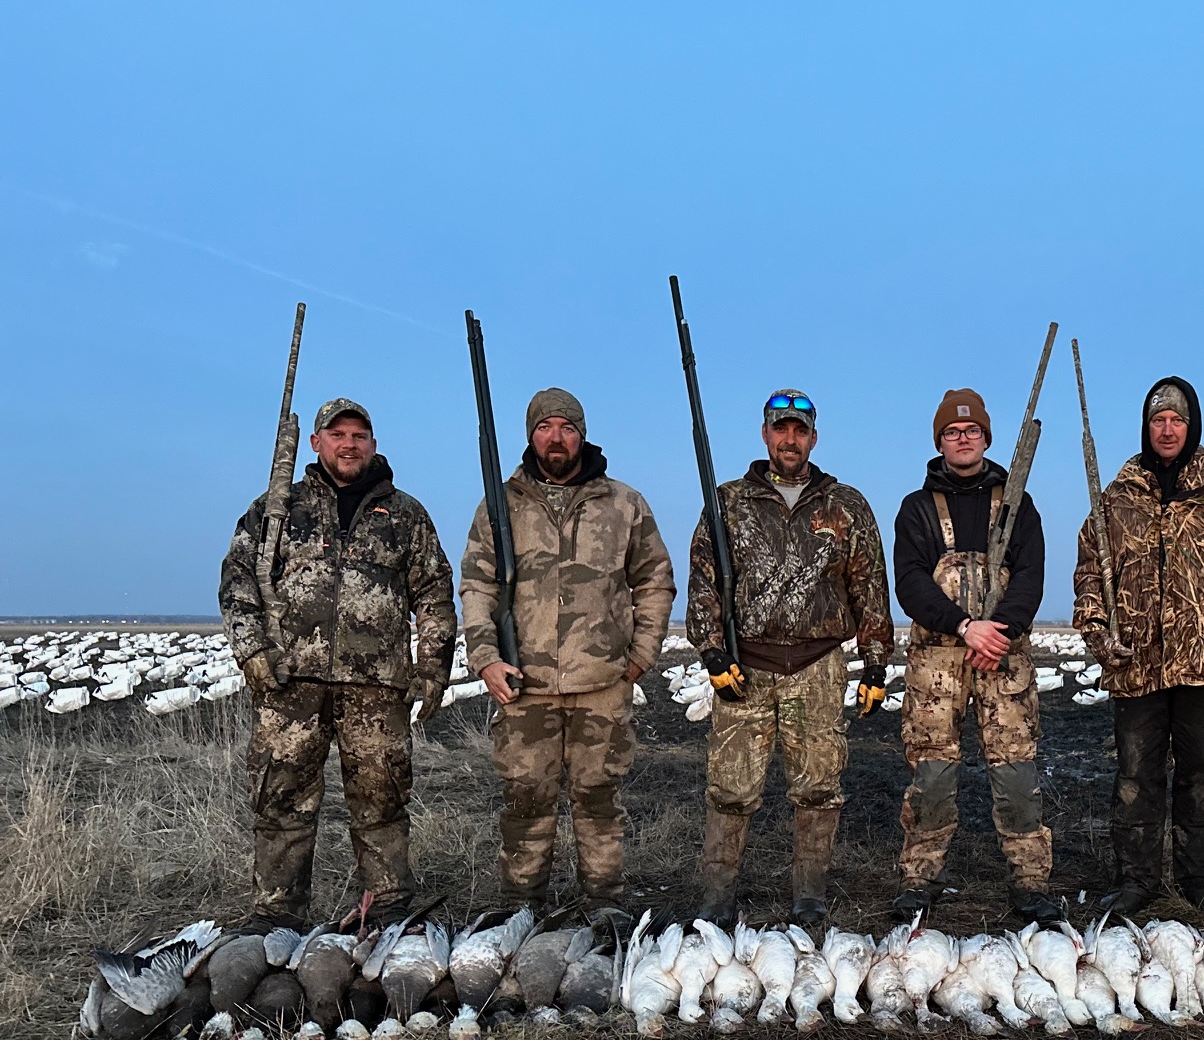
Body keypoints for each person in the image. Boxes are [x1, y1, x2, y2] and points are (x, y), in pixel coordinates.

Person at [219, 398, 456, 929]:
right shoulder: (276, 511)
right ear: (316, 442)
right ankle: (275, 917)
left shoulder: (406, 514)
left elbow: (435, 593)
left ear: (374, 444)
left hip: (377, 688)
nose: (349, 444)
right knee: (281, 799)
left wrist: (434, 665)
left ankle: (390, 909)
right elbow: (237, 583)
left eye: (359, 436)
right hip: (290, 685)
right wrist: (253, 652)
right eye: (338, 435)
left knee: (382, 800)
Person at [460, 387, 675, 914]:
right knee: (525, 798)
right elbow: (476, 585)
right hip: (523, 682)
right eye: (545, 427)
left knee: (599, 799)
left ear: (582, 435)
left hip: (601, 683)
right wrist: (486, 657)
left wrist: (642, 654)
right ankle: (519, 906)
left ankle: (604, 904)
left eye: (567, 427)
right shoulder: (500, 504)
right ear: (530, 435)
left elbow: (655, 579)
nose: (556, 437)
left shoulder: (624, 503)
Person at [686, 388, 894, 929]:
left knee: (819, 786)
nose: (790, 439)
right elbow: (704, 583)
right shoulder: (728, 501)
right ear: (765, 434)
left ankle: (809, 895)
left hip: (818, 667)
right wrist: (711, 651)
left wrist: (875, 664)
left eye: (800, 430)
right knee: (731, 786)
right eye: (781, 428)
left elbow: (869, 585)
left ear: (813, 438)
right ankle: (717, 897)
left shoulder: (846, 504)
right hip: (745, 667)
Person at [1072, 376, 1204, 916]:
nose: (1167, 429)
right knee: (1136, 778)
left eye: (1177, 420)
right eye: (1158, 419)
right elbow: (1091, 569)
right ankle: (1137, 879)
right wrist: (1098, 633)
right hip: (1136, 665)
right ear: (1146, 425)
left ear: (1192, 425)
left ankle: (1198, 878)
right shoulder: (1117, 494)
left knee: (1202, 777)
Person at [887, 388, 1056, 922]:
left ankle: (1031, 882)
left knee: (1016, 773)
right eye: (952, 433)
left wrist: (998, 632)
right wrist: (965, 627)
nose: (963, 439)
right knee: (932, 773)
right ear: (939, 441)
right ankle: (919, 878)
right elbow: (911, 584)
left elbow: (1030, 575)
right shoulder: (916, 510)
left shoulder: (1017, 503)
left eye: (973, 431)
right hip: (937, 662)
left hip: (1002, 657)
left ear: (987, 437)